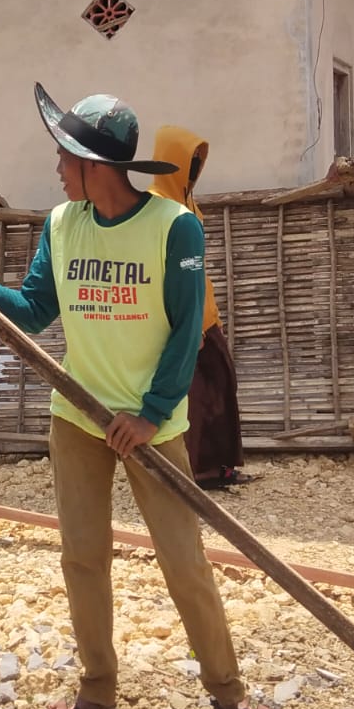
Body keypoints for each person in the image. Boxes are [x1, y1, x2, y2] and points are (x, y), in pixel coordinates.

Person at [0, 84, 283, 709]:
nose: (55, 166)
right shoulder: (63, 224)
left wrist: (150, 413)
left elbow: (186, 331)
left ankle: (228, 691)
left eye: (64, 154)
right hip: (78, 419)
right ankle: (97, 689)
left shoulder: (174, 227)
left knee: (183, 562)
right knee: (82, 559)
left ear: (95, 165)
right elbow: (29, 310)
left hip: (151, 426)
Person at [150, 124, 247, 488]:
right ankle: (190, 472)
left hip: (207, 313)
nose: (193, 169)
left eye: (197, 162)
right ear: (169, 161)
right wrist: (182, 320)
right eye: (187, 161)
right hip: (182, 316)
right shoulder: (157, 206)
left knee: (221, 389)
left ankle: (218, 466)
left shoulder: (187, 201)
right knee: (192, 399)